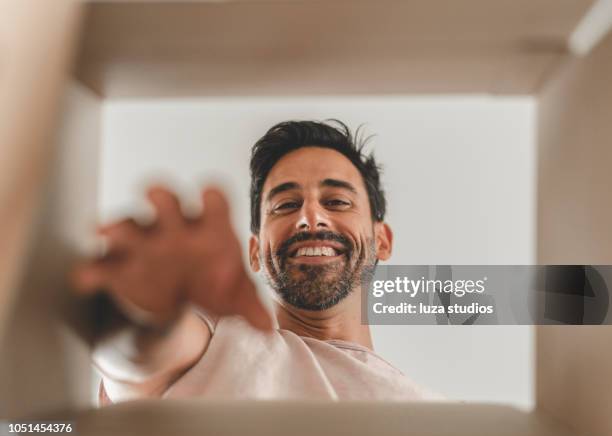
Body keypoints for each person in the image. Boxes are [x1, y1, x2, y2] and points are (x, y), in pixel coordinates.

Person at [73, 120, 440, 404]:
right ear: (255, 252)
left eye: (337, 201)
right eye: (285, 205)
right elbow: (133, 359)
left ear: (382, 240)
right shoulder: (217, 342)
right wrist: (148, 307)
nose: (310, 218)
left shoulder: (434, 415)